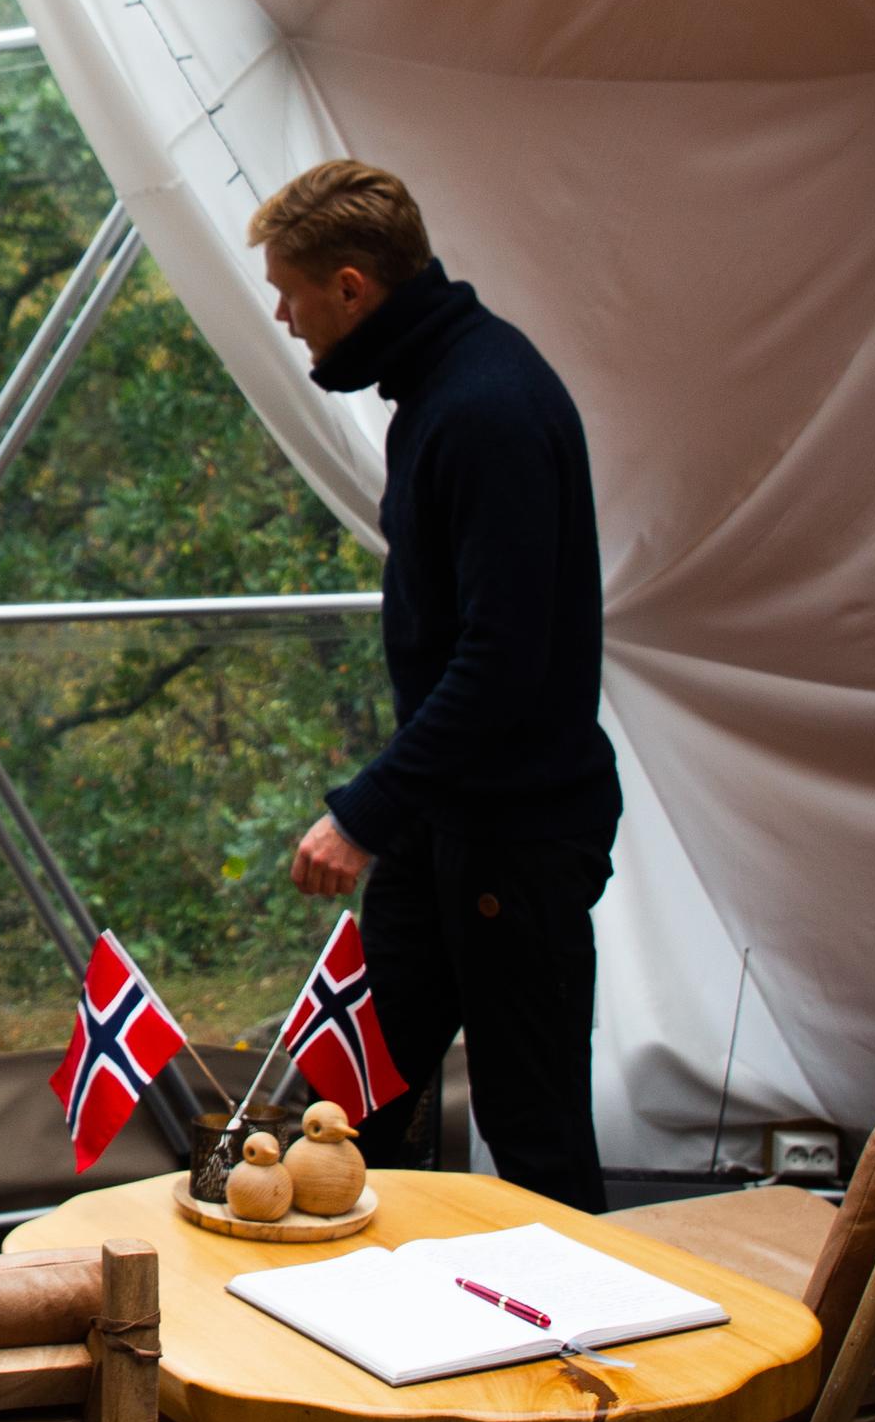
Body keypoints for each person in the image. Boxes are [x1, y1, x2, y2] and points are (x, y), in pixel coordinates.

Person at [252, 159, 620, 1214]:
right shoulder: (442, 392)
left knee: (535, 1129)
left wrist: (364, 814)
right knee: (352, 1096)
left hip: (514, 839)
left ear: (354, 287)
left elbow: (501, 662)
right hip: (446, 827)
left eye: (292, 290)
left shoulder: (484, 407)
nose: (284, 314)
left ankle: (600, 1361)